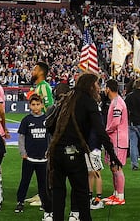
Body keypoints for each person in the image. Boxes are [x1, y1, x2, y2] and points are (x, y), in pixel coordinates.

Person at [46, 73, 102, 221]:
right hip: (74, 152)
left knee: (58, 193)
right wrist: (112, 154)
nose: (98, 87)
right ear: (90, 85)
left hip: (57, 152)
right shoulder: (88, 102)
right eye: (97, 84)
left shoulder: (66, 100)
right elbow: (100, 130)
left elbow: (50, 125)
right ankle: (77, 215)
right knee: (81, 192)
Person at [15, 91, 50, 214]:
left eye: (38, 104)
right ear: (29, 105)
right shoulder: (26, 120)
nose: (35, 107)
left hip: (43, 158)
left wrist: (49, 151)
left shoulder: (47, 119)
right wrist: (22, 152)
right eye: (33, 104)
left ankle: (45, 203)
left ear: (42, 105)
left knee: (43, 183)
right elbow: (21, 137)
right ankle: (20, 202)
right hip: (29, 158)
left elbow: (51, 136)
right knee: (25, 181)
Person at [102, 79, 128, 205]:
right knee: (113, 167)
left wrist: (106, 130)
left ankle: (120, 196)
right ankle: (116, 193)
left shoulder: (117, 103)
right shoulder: (115, 101)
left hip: (118, 139)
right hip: (115, 139)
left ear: (108, 88)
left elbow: (116, 122)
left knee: (117, 167)